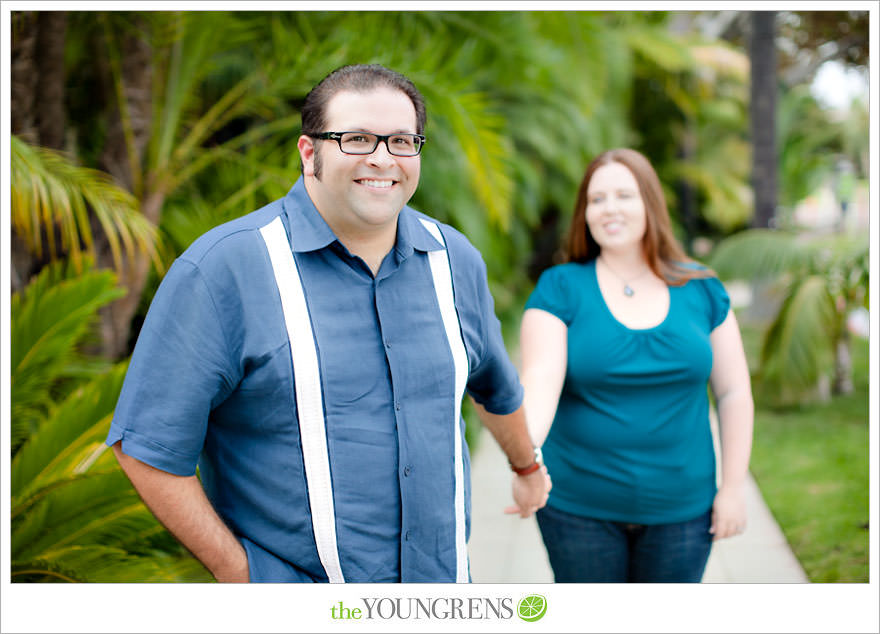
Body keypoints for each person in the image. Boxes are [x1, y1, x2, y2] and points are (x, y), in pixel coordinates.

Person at [106, 64, 550, 583]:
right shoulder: (226, 269)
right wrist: (242, 575)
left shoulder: (453, 259)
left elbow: (494, 386)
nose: (382, 158)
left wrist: (526, 468)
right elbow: (148, 447)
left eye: (402, 141)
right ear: (308, 152)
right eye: (357, 138)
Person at [519, 148, 753, 583]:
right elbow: (540, 382)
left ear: (650, 203)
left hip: (683, 510)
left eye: (624, 195)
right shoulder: (560, 287)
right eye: (597, 198)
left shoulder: (702, 288)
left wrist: (734, 489)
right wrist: (524, 460)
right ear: (584, 213)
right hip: (578, 510)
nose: (610, 209)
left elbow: (734, 391)